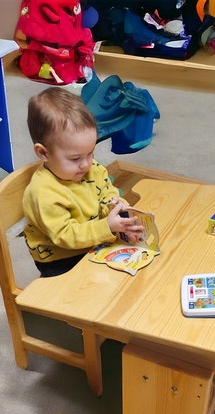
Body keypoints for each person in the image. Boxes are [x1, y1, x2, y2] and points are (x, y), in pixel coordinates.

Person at [23, 87, 144, 277]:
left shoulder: (88, 167)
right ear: (43, 153)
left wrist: (115, 205)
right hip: (61, 259)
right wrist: (107, 227)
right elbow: (65, 235)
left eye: (91, 153)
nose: (87, 164)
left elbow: (105, 189)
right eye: (75, 158)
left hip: (95, 240)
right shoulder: (43, 192)